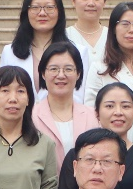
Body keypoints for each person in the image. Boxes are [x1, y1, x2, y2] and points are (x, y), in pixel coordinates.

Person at [32, 42, 98, 170]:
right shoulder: (31, 116)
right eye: (54, 69)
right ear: (43, 73)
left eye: (68, 69)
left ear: (78, 73)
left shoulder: (94, 116)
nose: (61, 75)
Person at [1, 0, 69, 90]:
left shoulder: (77, 52)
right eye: (35, 7)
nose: (42, 13)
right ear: (26, 12)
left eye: (49, 7)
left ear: (59, 12)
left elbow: (78, 94)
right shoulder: (9, 53)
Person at [86, 1, 133, 104]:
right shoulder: (100, 68)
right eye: (125, 24)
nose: (132, 30)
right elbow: (91, 108)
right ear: (114, 29)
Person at [66, 0, 110, 87]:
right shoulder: (64, 37)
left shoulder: (113, 36)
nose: (91, 3)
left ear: (104, 1)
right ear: (73, 0)